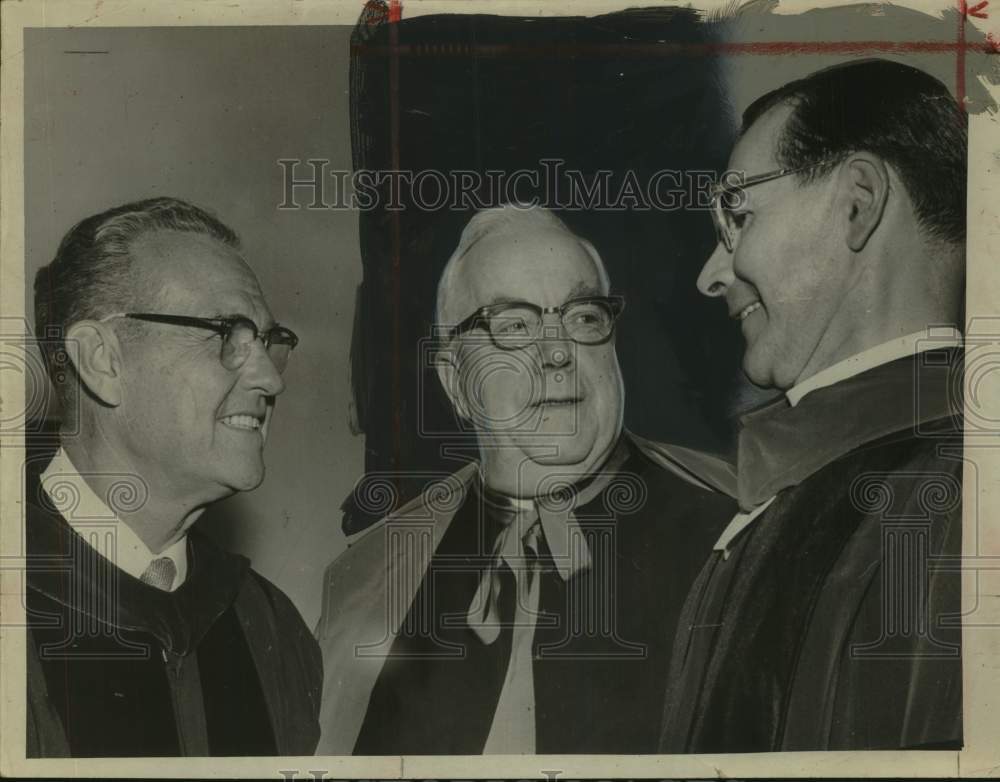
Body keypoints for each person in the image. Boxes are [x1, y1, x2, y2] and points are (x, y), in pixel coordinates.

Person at [315, 205, 736, 755]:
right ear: (456, 382)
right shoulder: (371, 575)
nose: (558, 351)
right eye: (514, 325)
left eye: (584, 316)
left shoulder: (735, 533)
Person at [658, 59, 966, 752]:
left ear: (857, 202)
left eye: (737, 215)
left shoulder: (958, 497)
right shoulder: (802, 487)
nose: (712, 274)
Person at [26, 197, 322, 757]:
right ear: (101, 361)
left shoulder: (271, 626)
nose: (269, 379)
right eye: (226, 334)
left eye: (267, 341)